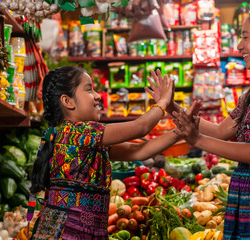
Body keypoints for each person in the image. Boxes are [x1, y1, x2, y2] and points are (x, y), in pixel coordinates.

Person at [153, 6, 250, 239]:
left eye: (246, 36)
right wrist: (170, 106)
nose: (239, 46)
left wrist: (196, 139)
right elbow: (221, 131)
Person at [28, 66, 199, 239]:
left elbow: (139, 151)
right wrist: (163, 102)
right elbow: (140, 127)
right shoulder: (79, 132)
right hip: (66, 234)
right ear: (68, 101)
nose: (97, 96)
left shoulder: (83, 138)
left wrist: (181, 130)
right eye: (89, 89)